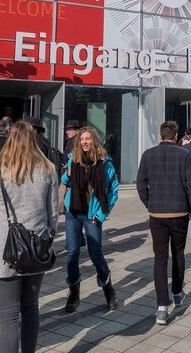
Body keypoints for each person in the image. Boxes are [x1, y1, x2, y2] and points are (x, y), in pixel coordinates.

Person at [0, 120, 59, 353]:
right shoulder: (48, 170)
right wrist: (48, 238)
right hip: (36, 245)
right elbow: (53, 214)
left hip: (4, 246)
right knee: (31, 307)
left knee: (8, 315)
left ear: (10, 140)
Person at [136, 121, 191, 326]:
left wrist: (149, 203)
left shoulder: (148, 155)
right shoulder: (185, 155)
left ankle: (162, 307)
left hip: (157, 214)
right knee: (178, 253)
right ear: (176, 136)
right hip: (179, 212)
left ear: (161, 135)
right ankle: (177, 292)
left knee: (160, 258)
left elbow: (141, 184)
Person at [61, 127, 120, 313]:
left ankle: (108, 288)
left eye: (87, 139)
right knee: (72, 254)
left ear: (94, 141)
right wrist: (67, 174)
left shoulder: (105, 163)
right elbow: (64, 181)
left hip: (92, 215)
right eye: (82, 139)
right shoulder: (73, 159)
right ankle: (74, 291)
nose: (84, 142)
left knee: (96, 254)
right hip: (73, 212)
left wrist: (100, 214)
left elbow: (113, 192)